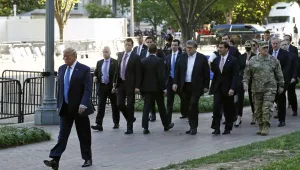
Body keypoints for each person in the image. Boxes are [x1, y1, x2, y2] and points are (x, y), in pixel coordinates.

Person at [43, 48, 94, 169]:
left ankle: (87, 158)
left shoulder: (84, 69)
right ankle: (55, 159)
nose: (65, 59)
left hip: (79, 108)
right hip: (65, 108)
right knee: (62, 135)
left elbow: (88, 89)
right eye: (64, 57)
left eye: (68, 57)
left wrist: (83, 103)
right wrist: (58, 105)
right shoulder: (61, 69)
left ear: (75, 57)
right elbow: (60, 89)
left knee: (84, 134)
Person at [243, 41, 284, 136]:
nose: (266, 49)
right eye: (263, 48)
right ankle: (260, 125)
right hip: (256, 89)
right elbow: (247, 74)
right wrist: (245, 83)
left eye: (267, 47)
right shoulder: (253, 60)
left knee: (267, 108)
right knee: (257, 109)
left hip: (270, 88)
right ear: (259, 48)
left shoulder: (274, 60)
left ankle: (266, 126)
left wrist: (281, 85)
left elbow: (279, 74)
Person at [173, 40, 210, 135]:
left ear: (195, 48)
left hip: (196, 86)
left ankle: (194, 127)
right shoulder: (182, 57)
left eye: (190, 48)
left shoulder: (201, 58)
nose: (187, 49)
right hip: (184, 86)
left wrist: (206, 86)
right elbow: (177, 71)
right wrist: (175, 83)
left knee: (193, 105)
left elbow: (206, 73)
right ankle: (191, 125)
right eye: (186, 47)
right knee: (186, 106)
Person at [140, 44, 174, 134]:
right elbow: (161, 76)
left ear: (148, 51)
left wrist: (141, 89)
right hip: (157, 89)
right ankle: (166, 125)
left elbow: (141, 76)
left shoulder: (143, 61)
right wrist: (164, 88)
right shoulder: (159, 61)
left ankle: (145, 128)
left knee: (146, 108)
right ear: (156, 51)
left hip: (147, 89)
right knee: (161, 107)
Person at [113, 38, 141, 134]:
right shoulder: (120, 55)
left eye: (129, 45)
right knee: (119, 104)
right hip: (121, 83)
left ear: (132, 46)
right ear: (124, 45)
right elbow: (117, 69)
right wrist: (114, 82)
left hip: (131, 84)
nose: (127, 46)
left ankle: (130, 128)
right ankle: (130, 118)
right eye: (126, 45)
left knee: (130, 105)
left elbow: (138, 73)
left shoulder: (136, 57)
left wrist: (137, 86)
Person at [210, 42, 238, 135]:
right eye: (219, 47)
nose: (219, 49)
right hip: (218, 87)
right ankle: (216, 128)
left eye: (221, 48)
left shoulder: (233, 60)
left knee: (228, 108)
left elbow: (235, 75)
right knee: (216, 108)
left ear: (227, 49)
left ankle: (228, 128)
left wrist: (232, 88)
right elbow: (215, 72)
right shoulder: (217, 60)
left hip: (228, 88)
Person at [91, 46, 120, 131]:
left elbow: (117, 74)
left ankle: (116, 122)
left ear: (110, 52)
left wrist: (115, 86)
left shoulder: (115, 62)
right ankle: (99, 124)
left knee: (114, 105)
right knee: (100, 106)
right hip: (102, 86)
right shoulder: (99, 62)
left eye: (106, 52)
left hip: (111, 87)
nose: (105, 53)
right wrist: (95, 77)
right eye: (103, 52)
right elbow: (96, 73)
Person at [269, 37, 291, 127]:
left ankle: (282, 120)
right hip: (269, 81)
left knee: (281, 100)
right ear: (271, 44)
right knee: (271, 100)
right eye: (273, 43)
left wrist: (282, 82)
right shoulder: (268, 53)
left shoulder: (285, 54)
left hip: (280, 81)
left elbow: (287, 68)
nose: (275, 45)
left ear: (279, 43)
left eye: (276, 43)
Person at [235, 40, 256, 127]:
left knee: (252, 98)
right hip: (242, 79)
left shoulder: (255, 56)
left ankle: (254, 115)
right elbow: (238, 68)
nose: (247, 46)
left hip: (252, 79)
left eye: (249, 45)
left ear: (252, 46)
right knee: (240, 99)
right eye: (246, 45)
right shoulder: (241, 56)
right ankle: (239, 117)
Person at [165, 39, 184, 121]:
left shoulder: (183, 56)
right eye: (172, 45)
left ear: (178, 46)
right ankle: (168, 121)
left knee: (184, 98)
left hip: (180, 82)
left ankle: (185, 114)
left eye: (175, 45)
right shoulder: (167, 57)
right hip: (170, 81)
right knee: (169, 101)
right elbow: (166, 70)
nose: (173, 46)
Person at [281, 37, 298, 116]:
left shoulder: (293, 55)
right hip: (282, 79)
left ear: (288, 45)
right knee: (280, 96)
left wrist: (294, 77)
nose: (284, 46)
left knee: (292, 95)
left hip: (291, 78)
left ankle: (295, 109)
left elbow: (295, 67)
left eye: (285, 44)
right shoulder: (279, 55)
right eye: (283, 45)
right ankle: (281, 111)